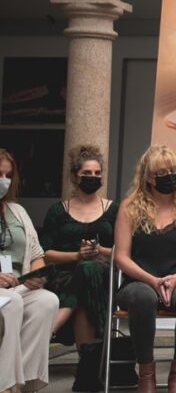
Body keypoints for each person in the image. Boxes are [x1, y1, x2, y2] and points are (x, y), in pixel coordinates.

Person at [113, 145, 176, 393]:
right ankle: (146, 374)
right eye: (162, 173)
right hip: (138, 281)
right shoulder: (129, 208)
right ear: (149, 177)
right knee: (143, 298)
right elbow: (121, 257)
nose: (170, 176)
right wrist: (151, 280)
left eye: (174, 170)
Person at [0, 149, 60, 393]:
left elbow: (36, 253)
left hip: (17, 284)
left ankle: (18, 384)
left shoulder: (18, 211)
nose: (3, 180)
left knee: (47, 301)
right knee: (11, 303)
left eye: (8, 175)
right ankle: (5, 391)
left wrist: (37, 274)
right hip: (5, 292)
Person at [41, 144, 117, 349]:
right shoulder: (58, 211)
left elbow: (125, 252)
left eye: (97, 173)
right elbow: (45, 253)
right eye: (87, 173)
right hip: (64, 276)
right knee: (85, 276)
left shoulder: (113, 210)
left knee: (89, 268)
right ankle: (88, 361)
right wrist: (77, 255)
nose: (93, 177)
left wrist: (98, 251)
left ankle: (52, 329)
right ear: (75, 176)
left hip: (102, 276)